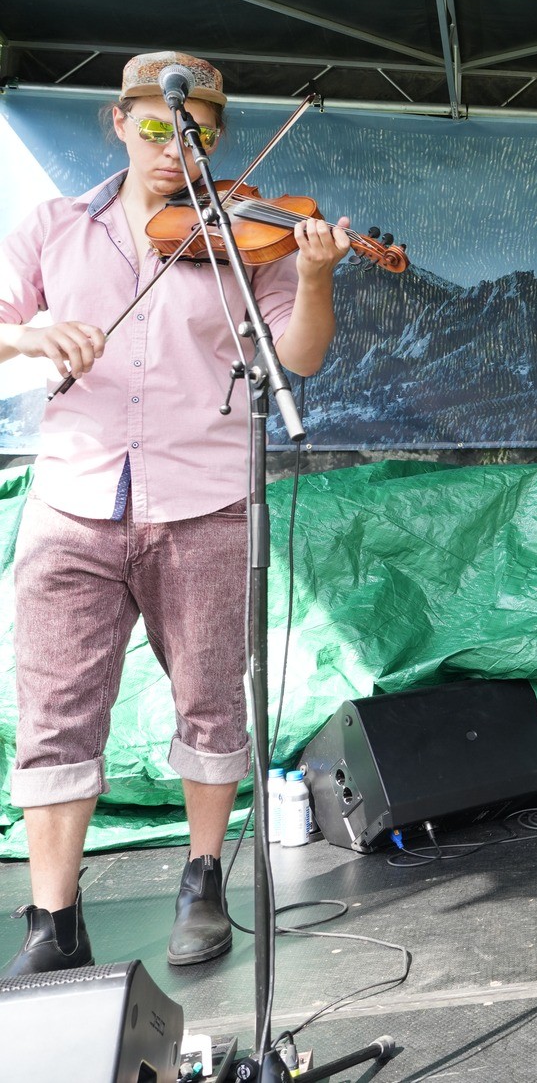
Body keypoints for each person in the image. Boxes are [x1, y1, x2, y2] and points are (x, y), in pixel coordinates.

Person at [0, 52, 351, 976]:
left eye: (189, 130)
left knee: (209, 698)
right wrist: (31, 335)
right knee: (56, 710)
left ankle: (202, 877)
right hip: (74, 496)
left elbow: (299, 357)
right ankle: (53, 916)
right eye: (154, 126)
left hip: (205, 496)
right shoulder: (52, 227)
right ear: (119, 122)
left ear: (215, 135)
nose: (170, 146)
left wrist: (315, 276)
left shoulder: (239, 233)